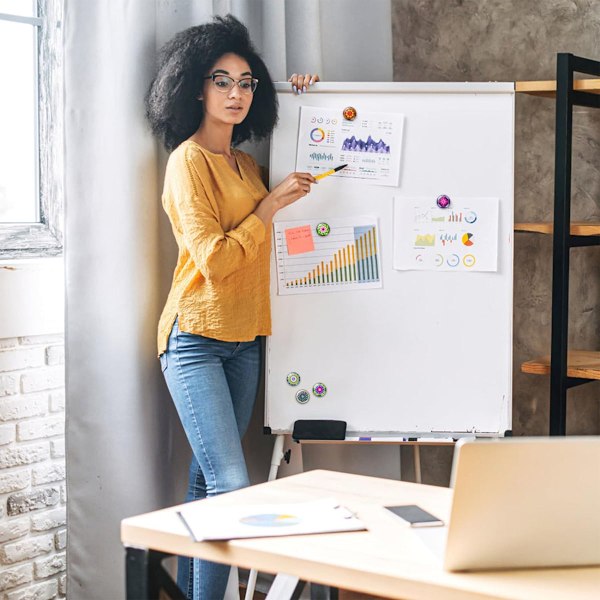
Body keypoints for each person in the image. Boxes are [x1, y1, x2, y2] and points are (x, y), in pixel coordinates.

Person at [145, 14, 319, 600]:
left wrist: (305, 101)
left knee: (205, 483)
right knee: (231, 483)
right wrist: (268, 211)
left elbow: (298, 183)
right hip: (194, 337)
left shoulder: (245, 164)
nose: (236, 94)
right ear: (195, 87)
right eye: (222, 81)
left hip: (245, 341)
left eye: (247, 83)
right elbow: (217, 261)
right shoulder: (186, 162)